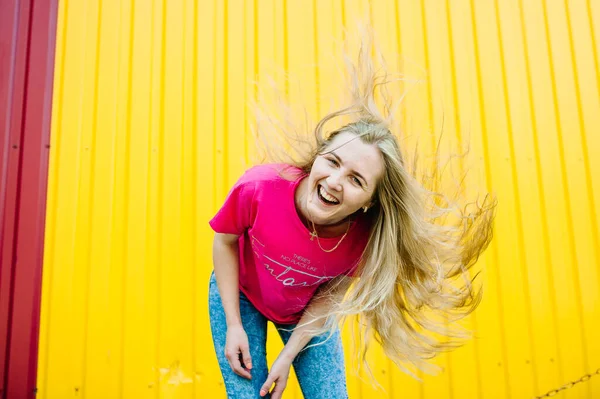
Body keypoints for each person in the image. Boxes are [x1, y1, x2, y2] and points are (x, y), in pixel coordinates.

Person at [208, 42, 495, 399]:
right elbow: (224, 241)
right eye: (332, 162)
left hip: (306, 312)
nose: (334, 182)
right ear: (316, 158)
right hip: (241, 294)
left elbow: (330, 297)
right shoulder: (260, 188)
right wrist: (234, 325)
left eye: (356, 180)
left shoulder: (365, 239)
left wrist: (287, 356)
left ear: (370, 202)